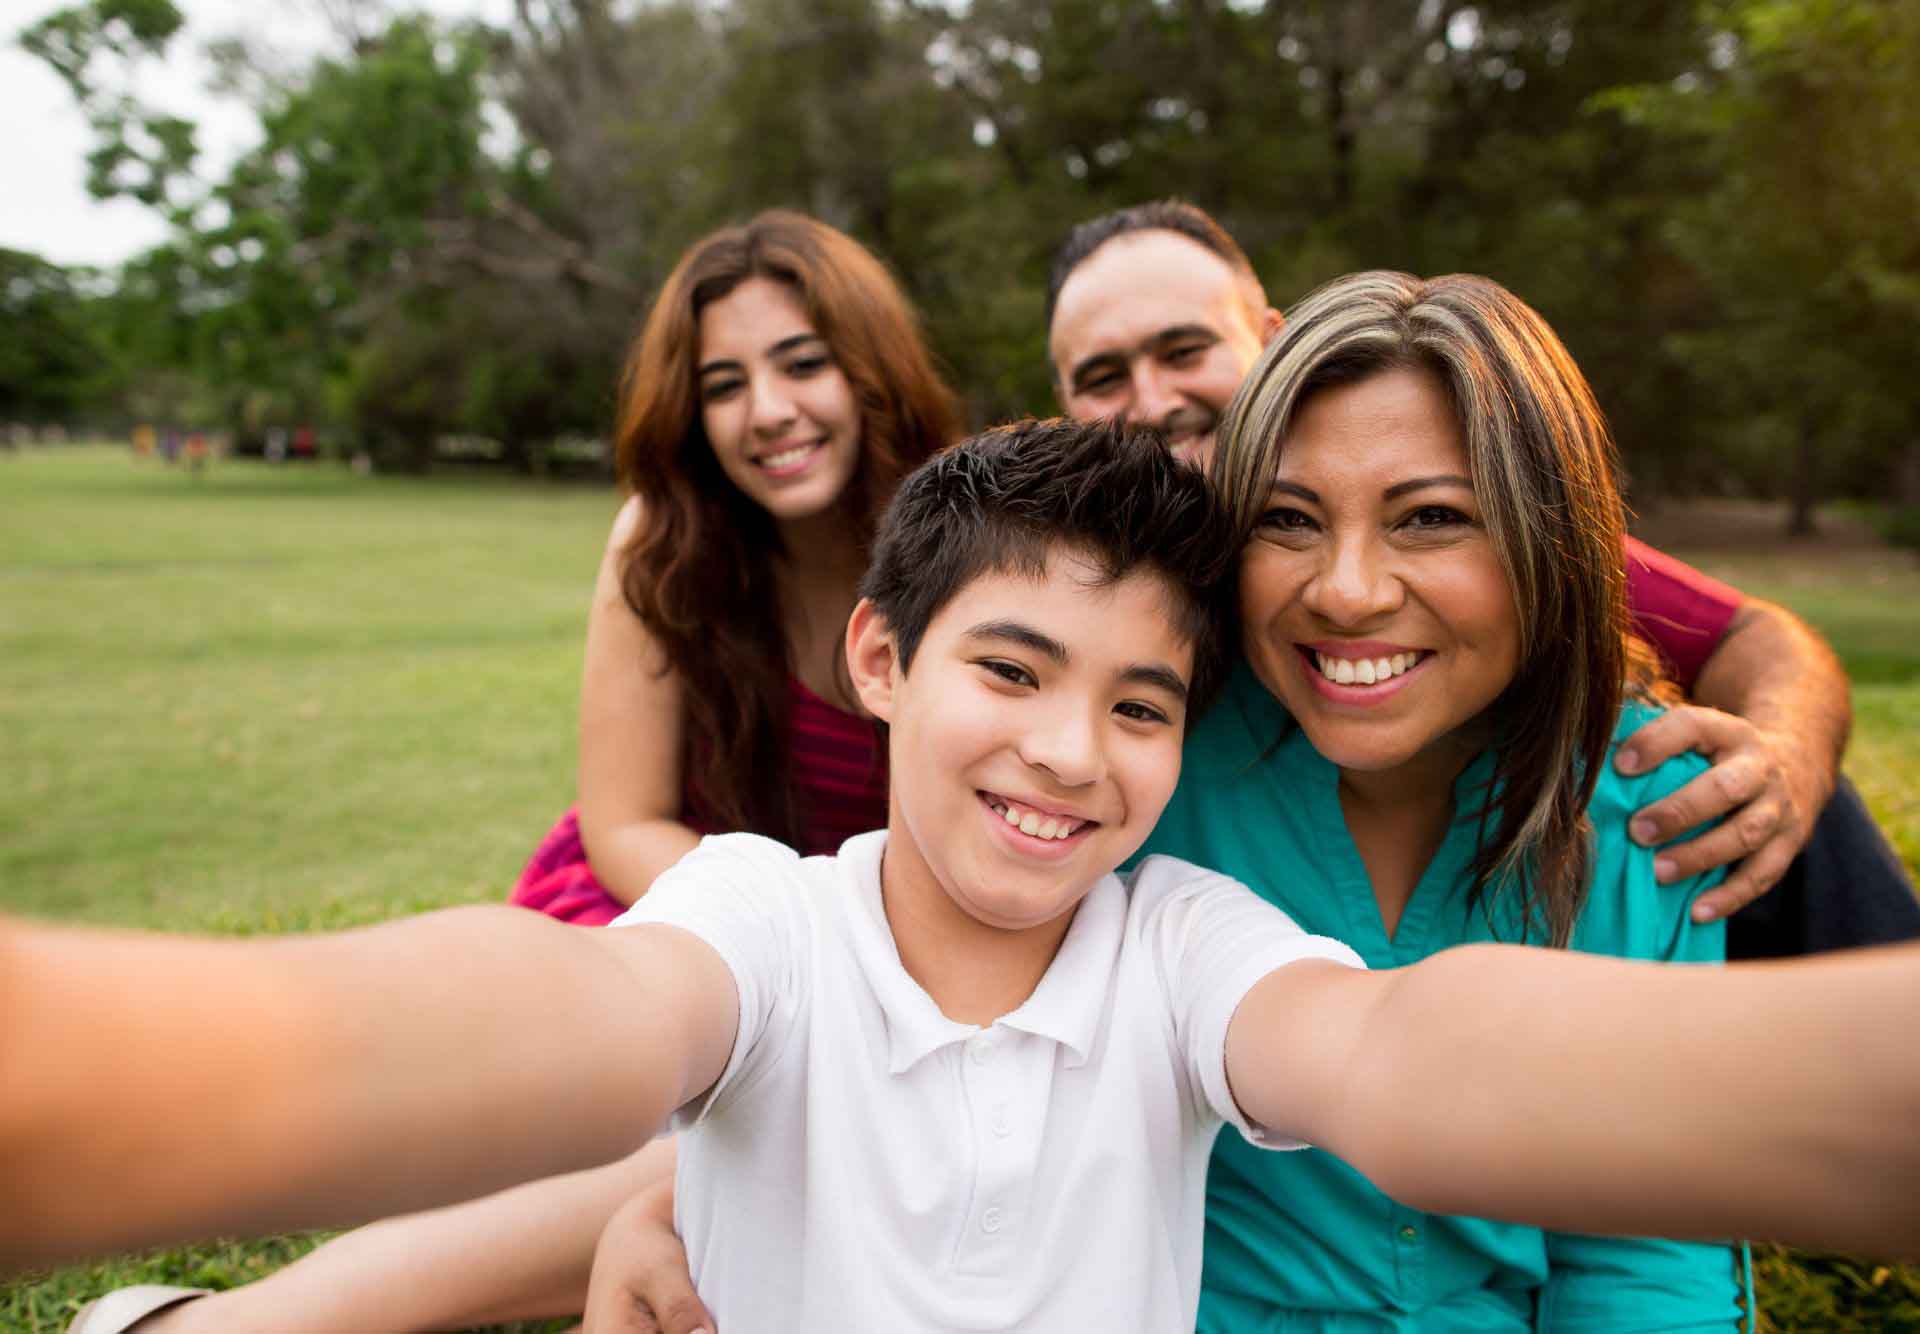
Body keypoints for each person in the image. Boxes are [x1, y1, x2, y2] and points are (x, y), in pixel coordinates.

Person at [11, 421, 1920, 1330]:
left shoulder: (1180, 943)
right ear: (879, 659)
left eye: (1144, 703)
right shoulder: (767, 915)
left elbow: (1412, 1059)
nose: (1071, 753)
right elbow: (554, 1017)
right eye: (1011, 671)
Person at [58, 208, 960, 1334]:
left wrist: (879, 973)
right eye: (724, 383)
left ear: (872, 367)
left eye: (803, 362)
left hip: (901, 970)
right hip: (668, 915)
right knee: (638, 1140)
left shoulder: (968, 538)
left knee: (734, 1164)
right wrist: (806, 937)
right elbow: (622, 820)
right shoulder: (668, 539)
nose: (767, 410)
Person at [1045, 200, 1919, 959]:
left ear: (1272, 345)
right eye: (1104, 377)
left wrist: (1787, 752)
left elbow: (1751, 637)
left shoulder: (1493, 521)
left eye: (1184, 350)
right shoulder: (1080, 605)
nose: (1152, 401)